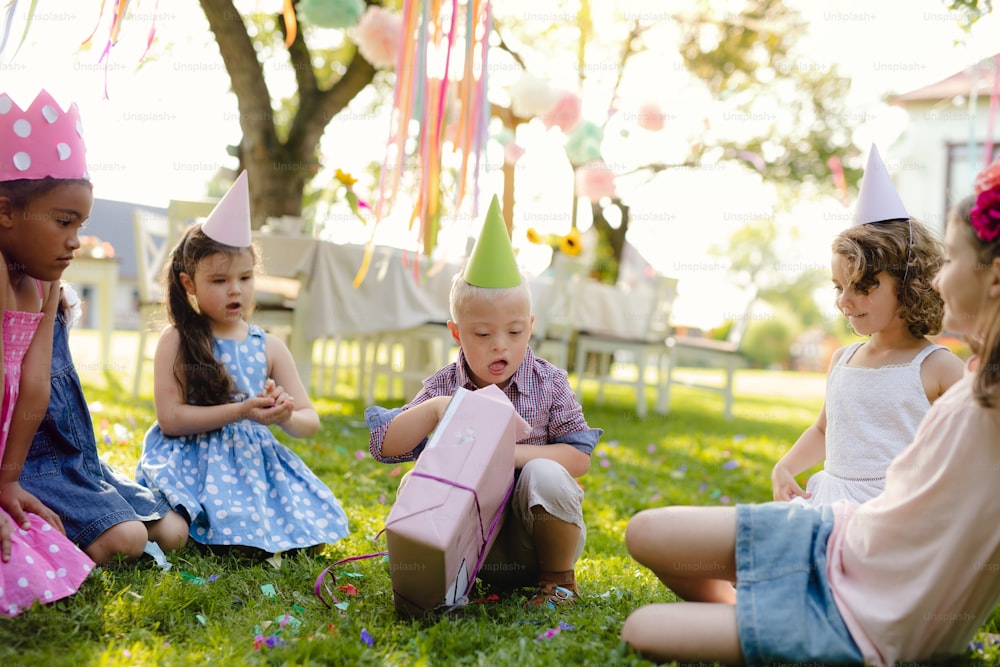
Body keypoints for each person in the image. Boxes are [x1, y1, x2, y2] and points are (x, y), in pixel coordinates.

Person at [618, 156, 1000, 667]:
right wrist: (789, 467)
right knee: (644, 534)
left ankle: (771, 613)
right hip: (842, 536)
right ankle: (766, 608)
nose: (935, 279)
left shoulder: (950, 377)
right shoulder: (968, 383)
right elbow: (828, 426)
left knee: (645, 627)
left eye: (950, 260)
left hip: (866, 593)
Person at [366, 195, 602, 609]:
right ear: (456, 334)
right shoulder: (444, 386)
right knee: (411, 482)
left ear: (530, 327)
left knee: (545, 472)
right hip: (468, 548)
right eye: (482, 334)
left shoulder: (548, 382)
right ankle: (432, 586)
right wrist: (439, 410)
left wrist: (499, 453)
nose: (500, 346)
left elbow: (579, 458)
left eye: (514, 332)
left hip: (535, 541)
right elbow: (385, 446)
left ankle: (558, 583)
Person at [135, 172, 349, 556]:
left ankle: (240, 535)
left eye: (245, 277)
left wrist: (283, 415)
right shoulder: (178, 338)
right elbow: (170, 419)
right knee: (193, 538)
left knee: (309, 539)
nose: (235, 289)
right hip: (189, 458)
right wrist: (242, 411)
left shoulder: (268, 345)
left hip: (250, 463)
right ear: (189, 283)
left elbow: (309, 421)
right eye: (219, 280)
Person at [772, 145, 964, 505]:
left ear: (910, 283)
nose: (845, 300)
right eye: (839, 287)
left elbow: (970, 445)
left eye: (862, 286)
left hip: (894, 510)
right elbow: (822, 429)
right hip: (831, 499)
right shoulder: (844, 360)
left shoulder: (937, 367)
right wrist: (785, 466)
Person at [0, 89, 96, 614]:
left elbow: (33, 387)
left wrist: (8, 482)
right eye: (64, 222)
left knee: (44, 554)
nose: (76, 240)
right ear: (5, 213)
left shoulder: (39, 286)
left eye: (79, 225)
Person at [20, 283, 190, 564]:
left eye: (75, 235)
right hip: (33, 470)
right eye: (63, 234)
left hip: (77, 463)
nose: (74, 243)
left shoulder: (50, 289)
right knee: (128, 540)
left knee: (175, 533)